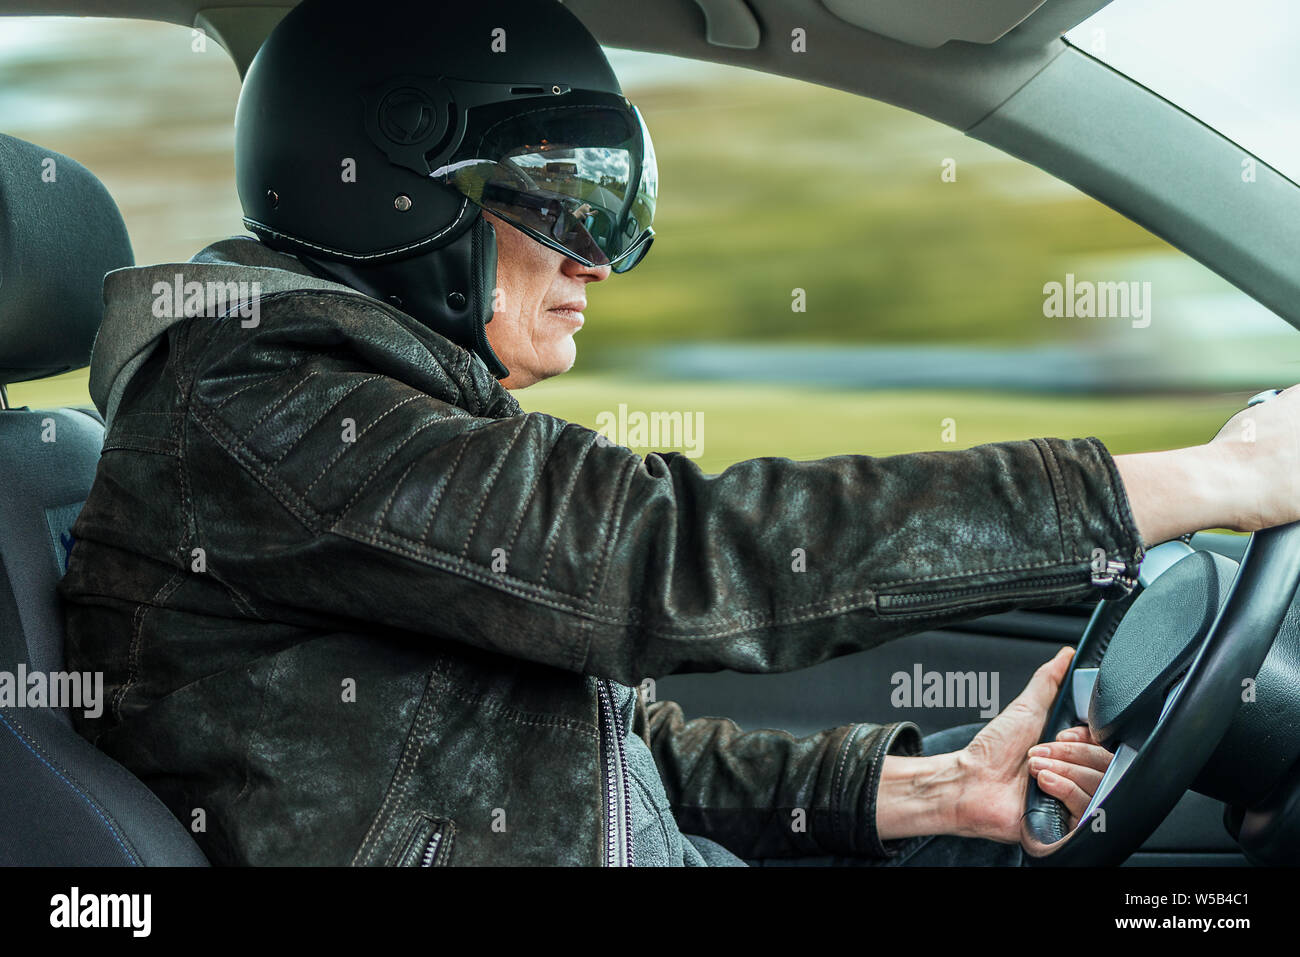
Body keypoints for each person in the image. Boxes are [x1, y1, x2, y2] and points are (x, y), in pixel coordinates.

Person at [60, 0, 1300, 867]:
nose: (597, 263)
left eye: (615, 209)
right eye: (566, 203)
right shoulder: (265, 406)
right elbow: (670, 560)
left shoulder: (342, 405)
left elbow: (559, 741)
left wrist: (913, 789)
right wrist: (1212, 477)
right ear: (395, 188)